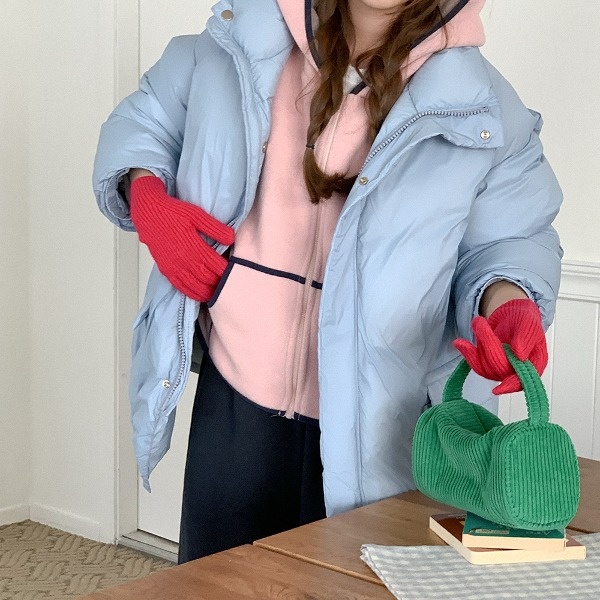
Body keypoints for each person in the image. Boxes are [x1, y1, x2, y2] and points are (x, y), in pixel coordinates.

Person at [93, 0, 562, 564]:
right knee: (216, 583)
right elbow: (144, 121)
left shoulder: (484, 108)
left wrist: (508, 301)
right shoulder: (235, 41)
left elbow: (509, 241)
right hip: (233, 406)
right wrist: (146, 194)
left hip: (381, 427)